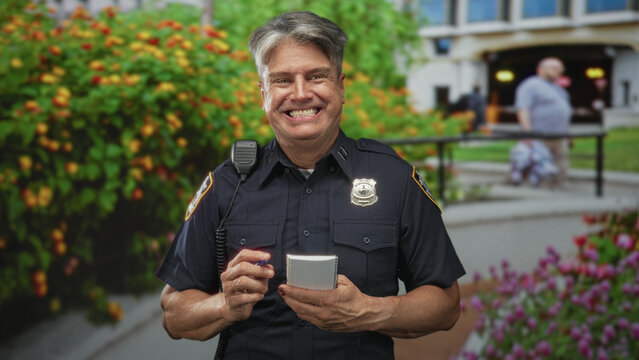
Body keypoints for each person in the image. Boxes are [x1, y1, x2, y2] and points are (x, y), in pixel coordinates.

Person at [156, 11, 465, 359]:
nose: (301, 94)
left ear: (341, 86)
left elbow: (446, 305)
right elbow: (174, 313)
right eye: (282, 80)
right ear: (263, 93)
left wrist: (369, 311)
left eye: (317, 76)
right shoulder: (227, 184)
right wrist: (225, 306)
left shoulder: (394, 178)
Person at [514, 57, 573, 185]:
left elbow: (565, 112)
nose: (559, 71)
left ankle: (559, 185)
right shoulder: (531, 85)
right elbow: (523, 109)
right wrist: (527, 133)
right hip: (539, 135)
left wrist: (568, 134)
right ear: (541, 69)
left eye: (560, 68)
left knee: (560, 163)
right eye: (554, 68)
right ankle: (536, 188)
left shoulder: (558, 89)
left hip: (560, 135)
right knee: (538, 164)